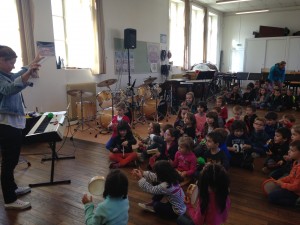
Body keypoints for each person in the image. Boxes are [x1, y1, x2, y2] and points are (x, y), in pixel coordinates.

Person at [0, 45, 42, 210]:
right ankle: (10, 200)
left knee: (12, 159)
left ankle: (13, 189)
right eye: (10, 62)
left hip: (11, 123)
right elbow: (8, 89)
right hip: (5, 125)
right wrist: (27, 73)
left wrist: (33, 63)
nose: (13, 66)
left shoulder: (5, 74)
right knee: (9, 162)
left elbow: (16, 75)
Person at [267, 140, 300, 207]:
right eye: (289, 150)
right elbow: (290, 177)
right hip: (292, 187)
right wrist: (281, 181)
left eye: (292, 151)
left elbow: (296, 187)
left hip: (296, 193)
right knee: (273, 192)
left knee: (271, 197)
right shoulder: (296, 162)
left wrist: (282, 184)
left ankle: (296, 203)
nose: (288, 152)